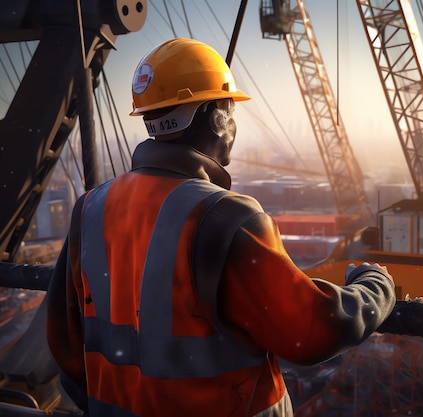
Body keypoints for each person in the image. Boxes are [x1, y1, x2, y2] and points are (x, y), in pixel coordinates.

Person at [46, 38, 396, 417]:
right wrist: (374, 287)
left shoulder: (90, 208)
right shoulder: (225, 216)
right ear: (217, 118)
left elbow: (66, 343)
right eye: (229, 110)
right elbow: (310, 331)